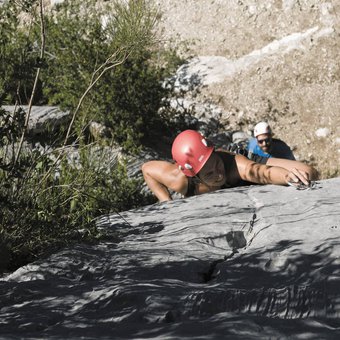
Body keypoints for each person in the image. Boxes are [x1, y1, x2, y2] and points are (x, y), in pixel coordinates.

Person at [142, 130, 318, 202]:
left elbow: (262, 173)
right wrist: (167, 202)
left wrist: (287, 177)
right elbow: (147, 170)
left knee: (308, 172)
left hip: (246, 159)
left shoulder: (233, 165)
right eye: (209, 173)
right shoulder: (180, 180)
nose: (218, 174)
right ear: (194, 176)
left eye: (216, 164)